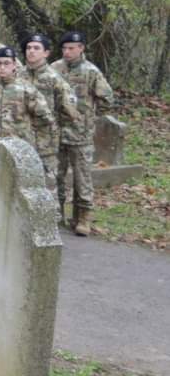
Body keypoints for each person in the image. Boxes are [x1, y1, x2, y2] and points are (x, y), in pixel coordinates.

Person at [51, 31, 115, 236]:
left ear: (81, 48)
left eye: (72, 48)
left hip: (81, 135)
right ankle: (56, 213)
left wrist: (89, 117)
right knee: (55, 175)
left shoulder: (91, 71)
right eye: (64, 48)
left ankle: (83, 217)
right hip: (56, 132)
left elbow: (107, 99)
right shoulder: (55, 68)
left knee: (82, 177)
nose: (67, 52)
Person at [21, 33, 79, 192]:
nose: (31, 51)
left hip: (46, 140)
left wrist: (55, 126)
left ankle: (52, 216)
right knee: (22, 181)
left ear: (46, 53)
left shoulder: (54, 78)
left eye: (36, 48)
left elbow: (70, 109)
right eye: (29, 48)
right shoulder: (18, 76)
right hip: (22, 136)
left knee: (48, 183)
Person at [0, 47, 53, 153]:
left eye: (7, 63)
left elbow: (44, 116)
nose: (2, 67)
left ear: (14, 65)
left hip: (19, 145)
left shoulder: (26, 89)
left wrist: (26, 130)